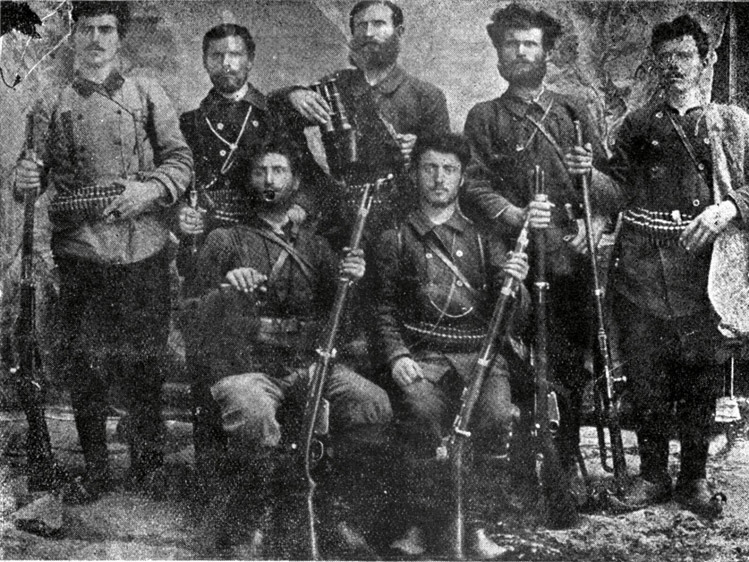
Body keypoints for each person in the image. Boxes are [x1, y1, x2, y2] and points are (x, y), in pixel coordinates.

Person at [600, 14, 749, 517]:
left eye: (684, 56)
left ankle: (693, 479)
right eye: (665, 58)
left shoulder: (731, 122)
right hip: (642, 266)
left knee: (700, 376)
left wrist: (727, 208)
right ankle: (651, 476)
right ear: (655, 64)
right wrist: (587, 173)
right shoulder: (638, 124)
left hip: (703, 271)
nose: (674, 66)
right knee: (646, 375)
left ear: (706, 60)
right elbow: (615, 188)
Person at [12, 1, 192, 502]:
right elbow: (31, 176)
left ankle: (149, 465)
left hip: (143, 246)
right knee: (84, 364)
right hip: (81, 250)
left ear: (120, 36)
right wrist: (24, 178)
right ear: (74, 35)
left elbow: (180, 160)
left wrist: (148, 191)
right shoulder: (51, 101)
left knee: (145, 363)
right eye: (87, 29)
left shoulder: (147, 92)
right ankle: (94, 468)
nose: (96, 39)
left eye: (106, 29)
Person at [185, 139, 393, 556]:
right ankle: (253, 518)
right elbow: (191, 315)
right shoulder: (224, 240)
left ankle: (333, 510)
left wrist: (353, 281)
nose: (269, 180)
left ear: (295, 182)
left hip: (308, 363)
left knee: (373, 404)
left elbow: (343, 321)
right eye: (260, 171)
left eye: (279, 171)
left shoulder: (316, 247)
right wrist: (228, 289)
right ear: (248, 180)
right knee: (253, 413)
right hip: (246, 365)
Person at [462, 3, 615, 489]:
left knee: (568, 365)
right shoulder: (485, 117)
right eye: (511, 44)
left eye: (531, 44)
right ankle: (518, 468)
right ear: (498, 54)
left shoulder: (573, 111)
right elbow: (473, 185)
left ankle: (562, 465)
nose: (521, 52)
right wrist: (516, 215)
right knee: (514, 364)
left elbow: (611, 187)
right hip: (511, 259)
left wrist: (593, 209)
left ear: (547, 53)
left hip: (568, 258)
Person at [375, 133, 531, 559]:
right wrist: (396, 356)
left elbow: (512, 316)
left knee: (495, 417)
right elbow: (382, 308)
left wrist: (515, 284)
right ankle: (422, 525)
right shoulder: (396, 237)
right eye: (429, 168)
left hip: (480, 355)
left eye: (449, 169)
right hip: (422, 354)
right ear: (414, 173)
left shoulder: (484, 237)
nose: (439, 178)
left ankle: (475, 525)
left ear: (462, 178)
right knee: (421, 413)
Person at [281, 0, 450, 239]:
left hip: (403, 219)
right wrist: (292, 95)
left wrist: (420, 149)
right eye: (362, 26)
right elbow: (279, 123)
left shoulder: (426, 96)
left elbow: (447, 164)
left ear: (399, 32)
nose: (369, 33)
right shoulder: (335, 87)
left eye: (379, 24)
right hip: (341, 215)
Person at [177, 23, 331, 280]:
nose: (226, 64)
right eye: (217, 56)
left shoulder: (276, 114)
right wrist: (182, 214)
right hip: (209, 241)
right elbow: (179, 185)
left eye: (235, 55)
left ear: (249, 61)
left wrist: (299, 208)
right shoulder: (190, 122)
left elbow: (311, 178)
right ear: (205, 62)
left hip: (267, 238)